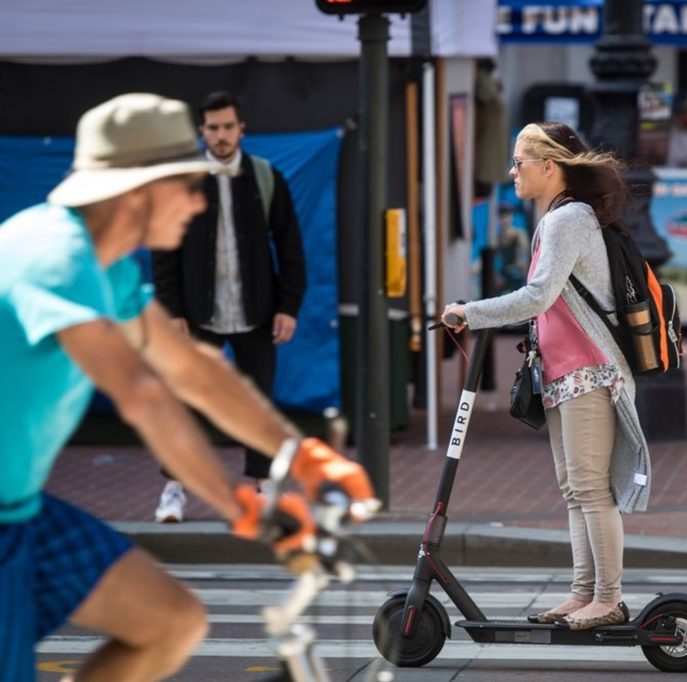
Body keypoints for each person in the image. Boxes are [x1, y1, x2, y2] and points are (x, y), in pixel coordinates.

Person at [0, 93, 375, 682]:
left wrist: (297, 456)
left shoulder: (108, 265)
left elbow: (193, 370)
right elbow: (145, 395)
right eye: (187, 184)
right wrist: (242, 510)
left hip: (18, 511)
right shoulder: (59, 258)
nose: (199, 199)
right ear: (137, 191)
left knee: (170, 621)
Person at [442, 122, 650, 630]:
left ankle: (609, 598)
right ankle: (584, 593)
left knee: (590, 489)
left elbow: (538, 295)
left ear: (549, 166)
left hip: (589, 373)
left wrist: (471, 311)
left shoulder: (568, 220)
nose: (512, 172)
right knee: (576, 490)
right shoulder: (559, 218)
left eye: (520, 162)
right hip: (564, 373)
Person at [151, 90, 307, 522]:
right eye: (213, 128)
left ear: (241, 129)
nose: (221, 135)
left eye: (228, 126)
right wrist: (172, 311)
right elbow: (163, 249)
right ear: (202, 131)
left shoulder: (264, 177)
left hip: (254, 309)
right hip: (196, 312)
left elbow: (290, 247)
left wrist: (287, 306)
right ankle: (174, 489)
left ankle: (258, 488)